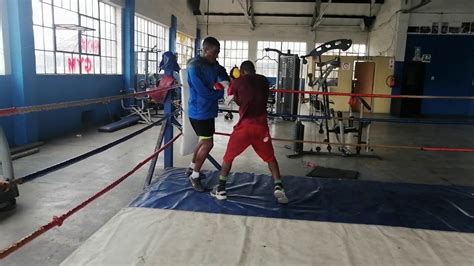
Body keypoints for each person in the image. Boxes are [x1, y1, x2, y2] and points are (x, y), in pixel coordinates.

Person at [211, 61, 288, 204]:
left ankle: (221, 188)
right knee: (271, 159)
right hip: (261, 128)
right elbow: (261, 98)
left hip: (244, 128)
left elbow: (236, 100)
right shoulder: (263, 80)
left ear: (241, 70)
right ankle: (279, 186)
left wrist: (231, 87)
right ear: (254, 69)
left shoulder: (238, 82)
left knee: (228, 158)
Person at [185, 36, 230, 192]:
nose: (217, 55)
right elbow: (202, 91)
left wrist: (227, 83)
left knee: (203, 140)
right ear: (205, 50)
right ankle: (195, 176)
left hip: (207, 110)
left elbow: (221, 71)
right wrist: (222, 95)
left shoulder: (212, 64)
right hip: (199, 111)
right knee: (208, 143)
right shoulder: (194, 67)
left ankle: (191, 168)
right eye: (215, 52)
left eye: (218, 52)